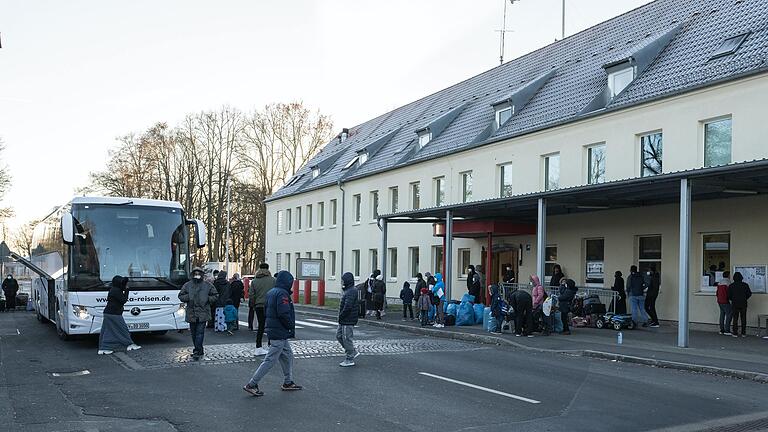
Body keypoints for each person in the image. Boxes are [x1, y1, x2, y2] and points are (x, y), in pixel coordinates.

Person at [243, 270, 303, 396]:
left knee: (288, 355)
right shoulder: (282, 294)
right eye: (290, 282)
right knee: (270, 360)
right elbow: (283, 313)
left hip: (274, 330)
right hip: (279, 331)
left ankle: (288, 381)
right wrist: (290, 327)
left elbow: (266, 311)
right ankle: (252, 384)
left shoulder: (271, 292)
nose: (291, 285)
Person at [179, 267, 219, 360]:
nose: (197, 275)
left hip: (203, 312)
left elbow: (215, 295)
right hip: (191, 312)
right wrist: (189, 297)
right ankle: (199, 349)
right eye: (195, 273)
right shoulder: (188, 285)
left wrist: (207, 299)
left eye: (199, 273)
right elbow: (181, 296)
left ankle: (197, 350)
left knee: (200, 333)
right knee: (193, 333)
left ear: (201, 274)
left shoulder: (207, 285)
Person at [98, 275, 141, 355]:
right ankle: (129, 344)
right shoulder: (116, 290)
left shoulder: (114, 289)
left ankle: (104, 348)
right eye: (122, 283)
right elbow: (123, 300)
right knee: (122, 329)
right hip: (114, 313)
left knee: (107, 330)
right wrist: (127, 290)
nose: (124, 285)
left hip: (109, 313)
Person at [249, 263, 275, 356]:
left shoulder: (254, 281)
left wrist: (252, 305)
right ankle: (270, 345)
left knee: (261, 326)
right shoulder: (273, 280)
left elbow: (251, 295)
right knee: (270, 326)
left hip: (259, 305)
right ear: (268, 269)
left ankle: (258, 346)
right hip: (270, 305)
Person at [337, 272, 360, 367]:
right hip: (344, 319)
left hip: (348, 319)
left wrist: (341, 316)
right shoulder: (348, 290)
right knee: (339, 336)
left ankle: (350, 358)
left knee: (347, 338)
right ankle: (352, 351)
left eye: (343, 280)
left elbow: (348, 306)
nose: (342, 282)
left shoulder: (351, 291)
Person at [728, 272, 752, 337]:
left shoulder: (731, 286)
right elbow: (749, 294)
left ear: (734, 278)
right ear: (741, 278)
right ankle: (743, 333)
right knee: (743, 318)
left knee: (735, 318)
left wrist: (733, 299)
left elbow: (729, 296)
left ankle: (735, 332)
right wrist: (745, 298)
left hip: (735, 304)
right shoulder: (745, 285)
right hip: (743, 303)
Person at [716, 271, 732, 335]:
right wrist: (730, 300)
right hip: (725, 301)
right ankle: (727, 330)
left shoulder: (720, 282)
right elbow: (729, 293)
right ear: (728, 275)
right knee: (729, 315)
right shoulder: (728, 282)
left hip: (719, 301)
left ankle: (721, 330)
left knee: (722, 315)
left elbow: (717, 293)